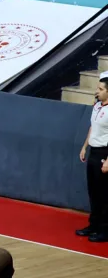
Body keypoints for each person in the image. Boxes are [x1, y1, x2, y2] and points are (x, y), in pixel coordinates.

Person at [76, 73, 108, 243]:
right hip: (93, 152)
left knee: (104, 194)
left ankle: (105, 229)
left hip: (104, 153)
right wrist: (85, 146)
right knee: (93, 192)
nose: (97, 91)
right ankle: (93, 225)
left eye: (101, 89)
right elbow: (92, 128)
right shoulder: (97, 106)